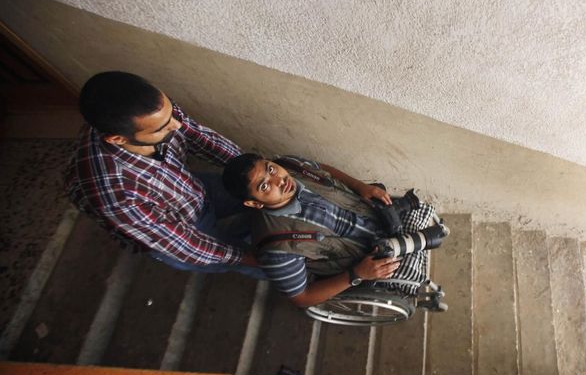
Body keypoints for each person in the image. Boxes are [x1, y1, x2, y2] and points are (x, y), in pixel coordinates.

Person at [65, 71, 263, 278]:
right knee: (263, 263)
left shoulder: (155, 111)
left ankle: (244, 232)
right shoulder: (116, 195)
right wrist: (251, 259)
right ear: (118, 139)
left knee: (258, 198)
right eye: (161, 128)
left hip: (189, 189)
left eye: (171, 113)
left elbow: (200, 138)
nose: (177, 125)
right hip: (177, 227)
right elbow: (185, 245)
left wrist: (253, 171)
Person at [221, 154, 426, 307]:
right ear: (255, 204)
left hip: (376, 216)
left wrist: (359, 185)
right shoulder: (276, 250)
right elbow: (302, 297)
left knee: (424, 213)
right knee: (415, 277)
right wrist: (357, 274)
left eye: (271, 169)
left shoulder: (290, 165)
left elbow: (323, 170)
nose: (280, 181)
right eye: (265, 186)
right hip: (367, 259)